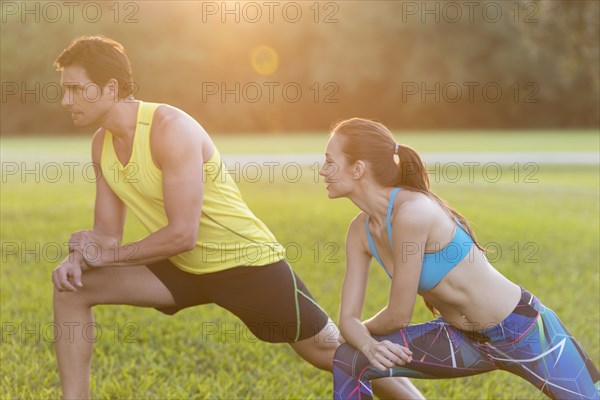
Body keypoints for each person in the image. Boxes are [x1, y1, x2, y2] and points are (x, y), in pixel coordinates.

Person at [51, 36, 423, 399]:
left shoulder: (169, 129)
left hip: (245, 262)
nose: (65, 100)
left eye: (74, 89)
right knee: (72, 289)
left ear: (110, 88)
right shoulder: (102, 145)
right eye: (64, 89)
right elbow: (106, 235)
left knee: (333, 352)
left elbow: (183, 233)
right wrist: (80, 257)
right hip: (184, 267)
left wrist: (108, 256)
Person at [319, 117, 600, 400]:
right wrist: (363, 344)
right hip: (462, 341)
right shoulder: (359, 232)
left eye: (330, 161)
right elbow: (348, 319)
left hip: (523, 331)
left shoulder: (411, 213)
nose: (322, 171)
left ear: (357, 169)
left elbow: (398, 315)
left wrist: (361, 336)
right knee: (349, 358)